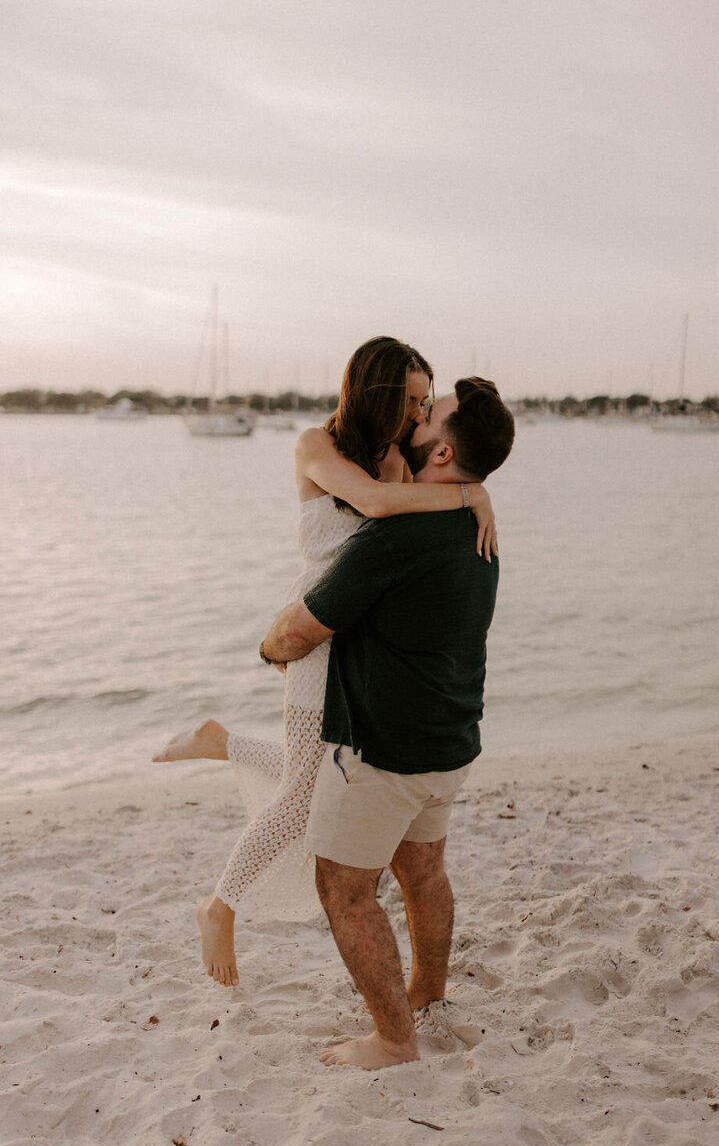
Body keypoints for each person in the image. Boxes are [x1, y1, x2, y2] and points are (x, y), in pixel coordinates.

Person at [153, 338, 497, 988]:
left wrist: (472, 488)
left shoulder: (398, 459)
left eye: (428, 401)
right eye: (412, 398)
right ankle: (219, 904)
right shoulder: (316, 445)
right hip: (314, 627)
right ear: (377, 390)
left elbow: (396, 527)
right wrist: (469, 495)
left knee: (319, 772)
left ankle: (220, 741)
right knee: (306, 792)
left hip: (358, 632)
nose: (420, 413)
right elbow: (376, 507)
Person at [255, 377, 515, 1069]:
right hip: (450, 742)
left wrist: (269, 645)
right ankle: (427, 995)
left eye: (434, 415)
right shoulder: (478, 525)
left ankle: (395, 1039)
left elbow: (302, 629)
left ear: (441, 453)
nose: (421, 416)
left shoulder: (394, 537)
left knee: (344, 889)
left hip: (382, 752)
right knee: (423, 871)